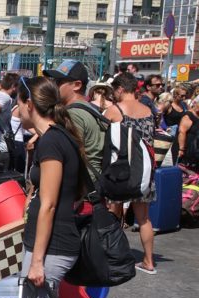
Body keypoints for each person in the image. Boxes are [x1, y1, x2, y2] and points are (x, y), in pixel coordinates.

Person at [16, 76, 83, 298]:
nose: (17, 111)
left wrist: (36, 262)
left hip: (52, 246)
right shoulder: (57, 136)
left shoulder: (52, 142)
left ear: (30, 104)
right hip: (51, 243)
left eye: (19, 104)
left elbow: (49, 205)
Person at [105, 72, 157, 275]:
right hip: (144, 171)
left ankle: (112, 256)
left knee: (113, 212)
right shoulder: (148, 111)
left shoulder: (115, 110)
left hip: (121, 171)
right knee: (143, 218)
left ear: (119, 89)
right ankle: (149, 261)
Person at [45, 60, 105, 178]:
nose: (53, 85)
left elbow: (69, 155)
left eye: (59, 82)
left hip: (83, 186)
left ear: (77, 85)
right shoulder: (89, 108)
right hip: (91, 182)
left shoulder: (73, 114)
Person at [178, 98, 199, 165]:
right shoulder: (188, 115)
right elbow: (182, 132)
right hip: (186, 150)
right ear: (195, 103)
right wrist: (181, 149)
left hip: (195, 151)